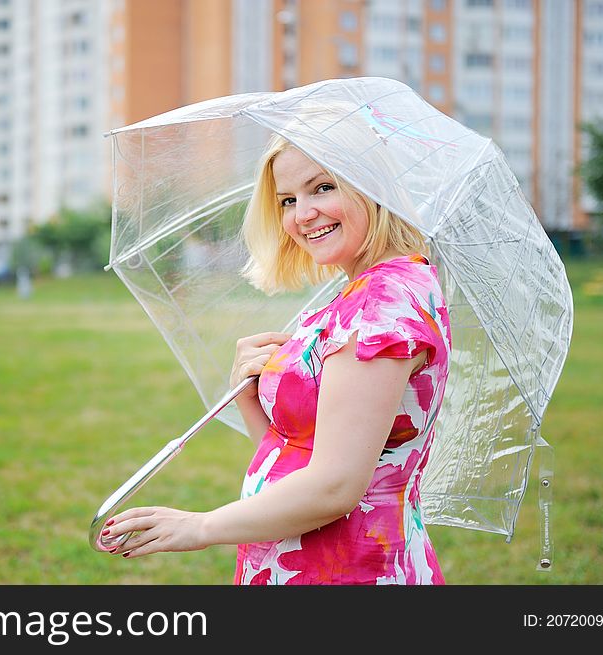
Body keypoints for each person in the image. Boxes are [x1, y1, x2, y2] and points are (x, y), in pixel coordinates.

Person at [102, 129, 453, 585]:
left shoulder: (380, 307)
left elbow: (334, 488)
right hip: (299, 558)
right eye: (287, 199)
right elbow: (297, 456)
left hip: (347, 571)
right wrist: (246, 394)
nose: (302, 215)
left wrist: (200, 526)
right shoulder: (364, 292)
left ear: (373, 186)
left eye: (323, 187)